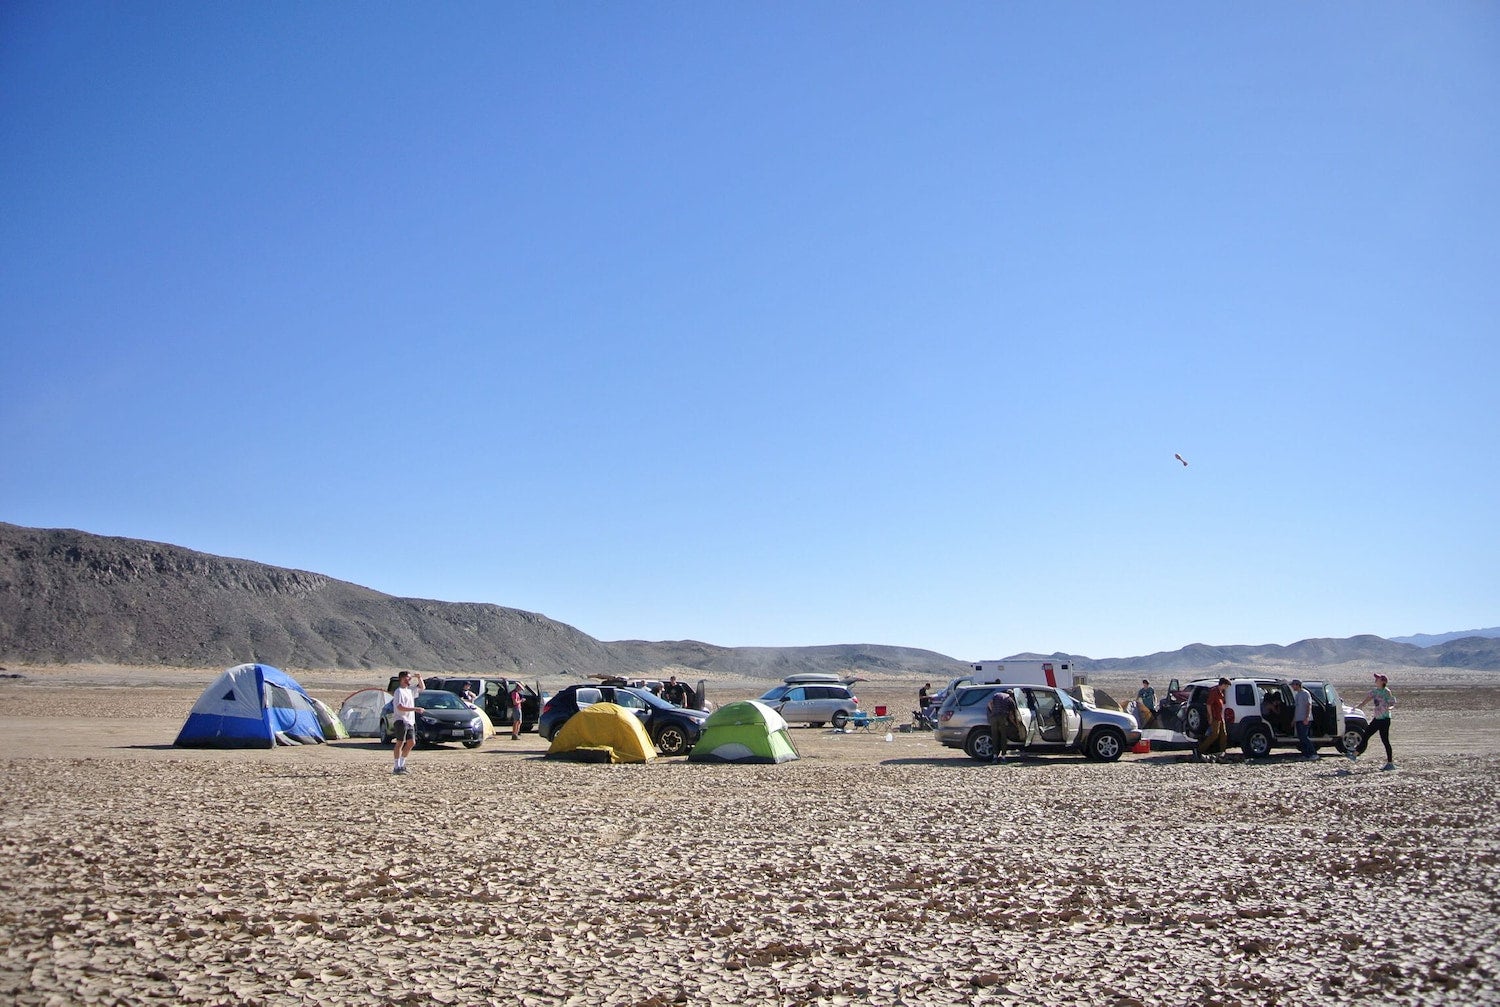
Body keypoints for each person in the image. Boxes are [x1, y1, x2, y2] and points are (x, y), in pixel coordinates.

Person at [1349, 673, 1396, 770]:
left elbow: (1391, 702)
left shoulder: (1386, 691)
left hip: (1385, 719)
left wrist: (1390, 707)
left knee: (1385, 740)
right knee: (1366, 735)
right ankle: (1355, 754)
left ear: (1383, 681)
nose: (1375, 680)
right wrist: (1358, 707)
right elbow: (1365, 701)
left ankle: (1390, 763)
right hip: (1377, 719)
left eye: (1377, 679)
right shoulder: (1374, 692)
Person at [390, 671, 424, 775]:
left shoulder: (410, 691)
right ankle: (396, 767)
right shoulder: (399, 691)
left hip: (410, 721)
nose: (409, 680)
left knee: (411, 742)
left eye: (410, 678)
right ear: (402, 679)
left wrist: (419, 678)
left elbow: (422, 688)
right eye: (407, 678)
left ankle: (402, 764)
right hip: (401, 720)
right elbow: (400, 707)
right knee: (400, 742)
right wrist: (415, 709)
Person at [1195, 678, 1230, 762]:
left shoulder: (1222, 693)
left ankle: (1222, 752)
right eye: (1226, 685)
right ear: (1223, 684)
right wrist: (1210, 716)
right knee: (1215, 734)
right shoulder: (1214, 692)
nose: (1227, 687)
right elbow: (1208, 704)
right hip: (1215, 717)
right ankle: (1200, 750)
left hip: (1220, 716)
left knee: (1223, 734)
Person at [986, 687, 1020, 763]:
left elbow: (989, 704)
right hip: (1003, 718)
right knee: (1003, 737)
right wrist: (1016, 726)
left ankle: (994, 757)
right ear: (1011, 695)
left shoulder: (996, 695)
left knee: (995, 737)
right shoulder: (1010, 700)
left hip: (994, 718)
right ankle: (1003, 757)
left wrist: (993, 712)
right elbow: (1011, 716)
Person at [1290, 679, 1316, 760]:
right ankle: (1305, 754)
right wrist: (1294, 719)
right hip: (1298, 719)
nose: (1292, 686)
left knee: (1304, 737)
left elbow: (1309, 705)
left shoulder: (1305, 693)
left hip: (1304, 719)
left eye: (1293, 685)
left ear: (1297, 685)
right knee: (1301, 737)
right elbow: (1297, 708)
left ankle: (1313, 753)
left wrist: (1307, 717)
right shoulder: (1297, 695)